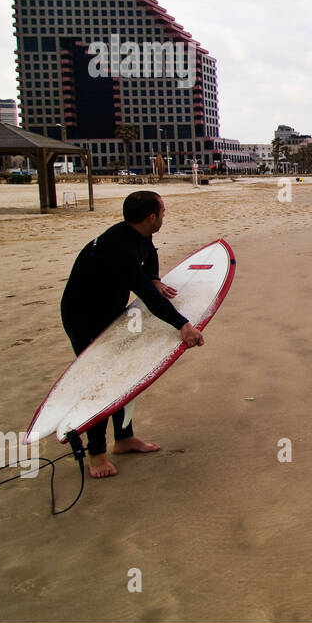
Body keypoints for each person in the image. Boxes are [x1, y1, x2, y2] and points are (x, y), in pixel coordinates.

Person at [59, 191, 205, 478]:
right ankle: (97, 454)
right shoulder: (119, 248)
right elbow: (149, 297)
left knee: (122, 376)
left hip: (109, 313)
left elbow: (150, 255)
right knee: (101, 381)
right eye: (163, 211)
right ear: (152, 217)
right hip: (83, 318)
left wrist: (154, 276)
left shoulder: (137, 234)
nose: (165, 215)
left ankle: (124, 439)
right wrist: (183, 325)